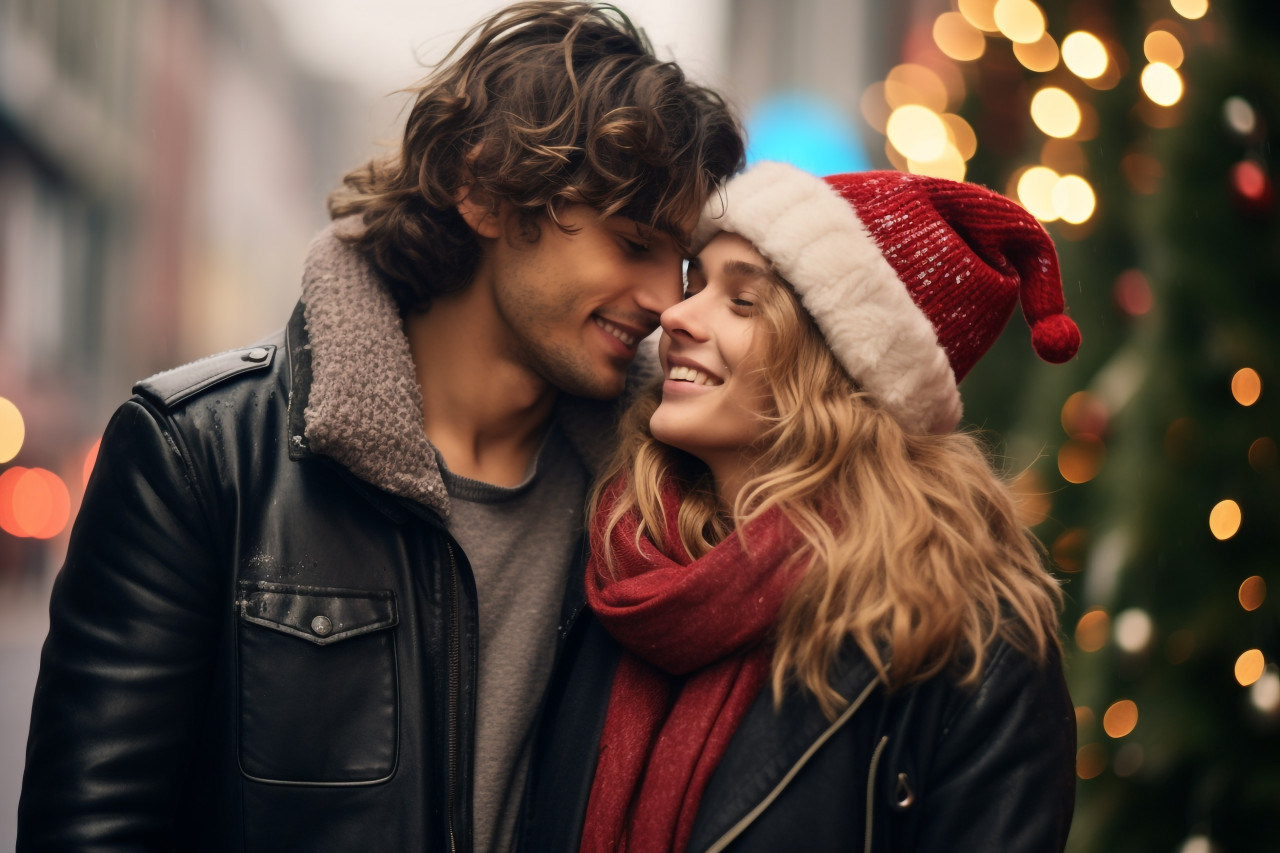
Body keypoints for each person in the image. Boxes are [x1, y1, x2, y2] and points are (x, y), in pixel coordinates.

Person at [17, 3, 744, 851]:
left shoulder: (656, 498)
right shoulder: (199, 455)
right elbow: (93, 827)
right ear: (481, 190)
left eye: (680, 260)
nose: (667, 299)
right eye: (631, 242)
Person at [521, 162, 1081, 852]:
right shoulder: (617, 559)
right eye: (697, 282)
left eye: (743, 302)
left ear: (838, 370)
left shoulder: (966, 643)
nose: (675, 313)